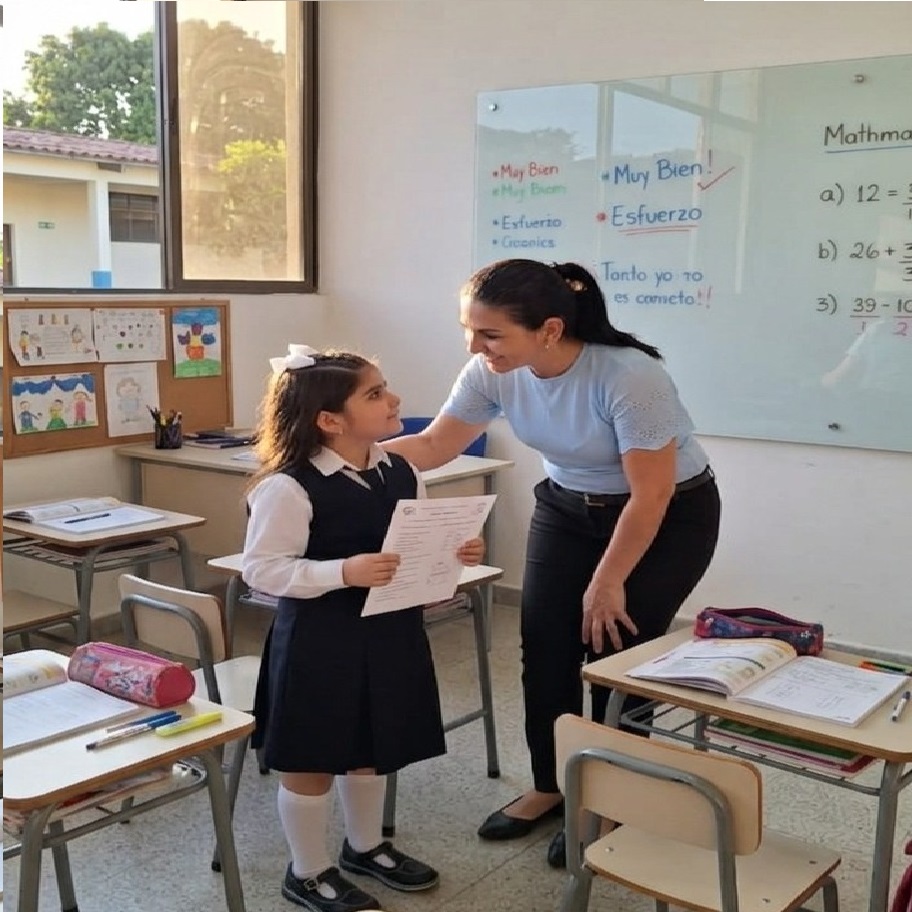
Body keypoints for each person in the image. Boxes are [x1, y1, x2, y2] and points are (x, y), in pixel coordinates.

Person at [383, 259, 721, 866]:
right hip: (567, 508)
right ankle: (552, 784)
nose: (475, 347)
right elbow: (434, 445)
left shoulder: (629, 375)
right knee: (544, 649)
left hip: (668, 516)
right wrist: (337, 456)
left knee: (616, 654)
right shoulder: (491, 371)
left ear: (550, 330)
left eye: (491, 334)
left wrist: (608, 580)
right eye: (468, 330)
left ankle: (612, 799)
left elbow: (651, 495)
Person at [244, 344, 486, 912]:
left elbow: (414, 541)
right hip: (319, 642)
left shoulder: (400, 470)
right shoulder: (288, 486)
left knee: (373, 745)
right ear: (330, 421)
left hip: (389, 633)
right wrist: (342, 572)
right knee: (311, 759)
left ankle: (365, 846)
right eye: (375, 394)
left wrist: (455, 553)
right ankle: (307, 871)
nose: (394, 399)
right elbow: (262, 569)